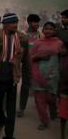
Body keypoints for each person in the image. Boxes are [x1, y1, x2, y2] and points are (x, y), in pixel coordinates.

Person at [0, 13, 30, 139]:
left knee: (11, 109)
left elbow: (26, 60)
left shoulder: (22, 38)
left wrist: (28, 77)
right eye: (12, 23)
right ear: (4, 25)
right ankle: (0, 122)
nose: (15, 25)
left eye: (16, 22)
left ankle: (9, 135)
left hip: (12, 76)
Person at [31, 22, 63, 130]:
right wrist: (40, 57)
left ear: (54, 31)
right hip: (38, 74)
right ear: (43, 30)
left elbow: (62, 58)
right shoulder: (38, 42)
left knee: (52, 98)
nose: (48, 31)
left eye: (50, 29)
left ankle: (53, 113)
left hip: (53, 75)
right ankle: (44, 121)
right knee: (40, 100)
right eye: (46, 29)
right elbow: (31, 57)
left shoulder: (59, 43)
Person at [17, 14, 44, 118]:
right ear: (28, 23)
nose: (36, 24)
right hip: (26, 64)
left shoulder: (40, 35)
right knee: (25, 86)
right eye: (34, 22)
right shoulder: (23, 35)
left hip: (38, 64)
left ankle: (41, 108)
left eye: (38, 22)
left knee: (39, 87)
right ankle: (22, 108)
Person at [56, 9, 68, 139]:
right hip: (61, 65)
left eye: (65, 18)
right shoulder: (59, 31)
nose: (63, 20)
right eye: (62, 17)